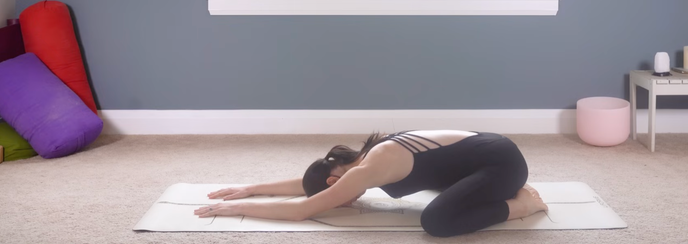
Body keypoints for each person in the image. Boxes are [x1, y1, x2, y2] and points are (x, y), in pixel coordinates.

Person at [194, 130, 548, 238]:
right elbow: (309, 187)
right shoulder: (367, 159)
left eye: (338, 195)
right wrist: (253, 188)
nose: (345, 201)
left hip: (502, 165)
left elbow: (302, 209)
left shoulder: (367, 170)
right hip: (490, 154)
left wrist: (236, 207)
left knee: (437, 222)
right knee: (443, 198)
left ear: (335, 180)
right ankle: (507, 193)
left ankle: (523, 204)